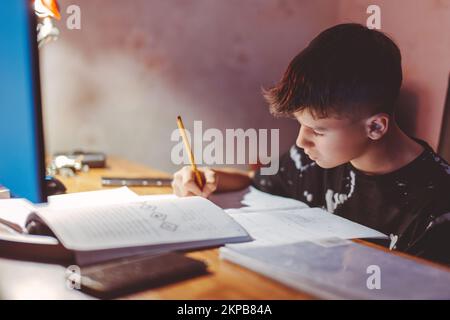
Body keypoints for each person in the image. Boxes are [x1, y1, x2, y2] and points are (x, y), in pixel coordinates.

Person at [171, 23, 450, 264]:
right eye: (300, 124)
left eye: (317, 130)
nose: (301, 141)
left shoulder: (437, 210)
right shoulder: (310, 159)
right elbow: (257, 182)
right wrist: (210, 177)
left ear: (375, 127)